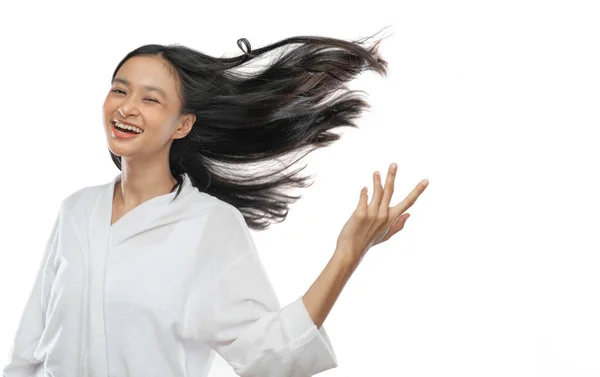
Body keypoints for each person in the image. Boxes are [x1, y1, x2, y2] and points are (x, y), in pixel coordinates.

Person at [2, 32, 429, 377]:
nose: (127, 108)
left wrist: (347, 255)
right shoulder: (76, 211)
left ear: (182, 124)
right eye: (120, 90)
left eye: (150, 99)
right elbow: (28, 351)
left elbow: (268, 355)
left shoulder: (208, 225)